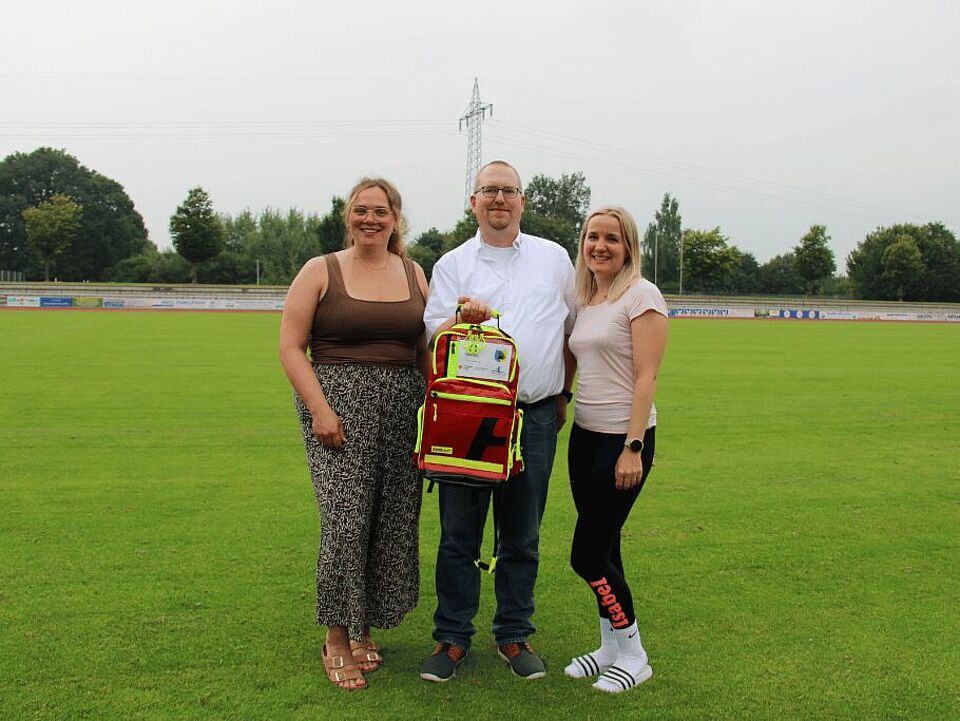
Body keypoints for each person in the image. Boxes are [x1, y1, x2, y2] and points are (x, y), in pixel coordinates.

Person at [419, 160, 577, 682]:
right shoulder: (452, 264)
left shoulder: (554, 258)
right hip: (469, 418)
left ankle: (513, 634)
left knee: (522, 534)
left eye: (509, 191)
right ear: (474, 202)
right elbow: (432, 337)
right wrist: (459, 318)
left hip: (533, 416)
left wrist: (563, 392)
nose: (499, 199)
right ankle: (452, 637)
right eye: (489, 190)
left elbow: (571, 330)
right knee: (458, 535)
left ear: (523, 201)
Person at [278, 177, 429, 691]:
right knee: (344, 523)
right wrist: (320, 410)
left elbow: (424, 349)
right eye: (362, 210)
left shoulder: (413, 272)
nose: (371, 219)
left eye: (380, 211)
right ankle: (336, 637)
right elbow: (291, 347)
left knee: (389, 521)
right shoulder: (320, 270)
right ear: (349, 216)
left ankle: (365, 627)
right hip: (337, 410)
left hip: (403, 410)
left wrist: (438, 409)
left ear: (395, 218)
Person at [562, 206, 668, 693]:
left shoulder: (642, 295)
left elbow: (647, 376)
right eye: (592, 237)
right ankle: (610, 648)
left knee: (586, 556)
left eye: (612, 238)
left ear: (628, 247)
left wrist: (633, 446)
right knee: (607, 549)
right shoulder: (587, 298)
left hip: (623, 440)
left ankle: (634, 653)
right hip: (584, 437)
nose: (599, 246)